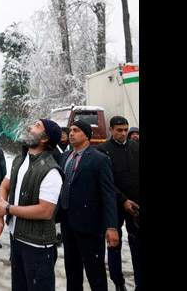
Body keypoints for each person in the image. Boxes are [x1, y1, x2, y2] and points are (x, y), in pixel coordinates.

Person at [0, 119, 63, 291]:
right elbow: (5, 187)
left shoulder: (51, 170)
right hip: (17, 241)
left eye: (37, 126)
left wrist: (8, 209)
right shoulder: (19, 160)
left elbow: (45, 211)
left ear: (45, 138)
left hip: (37, 247)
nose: (29, 126)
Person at [57, 120, 119, 291]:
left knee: (95, 271)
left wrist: (112, 226)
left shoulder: (100, 159)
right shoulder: (65, 157)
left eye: (76, 130)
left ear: (86, 135)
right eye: (70, 130)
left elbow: (108, 193)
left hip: (90, 225)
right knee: (72, 270)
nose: (71, 133)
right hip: (68, 223)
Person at [98, 117, 140, 291]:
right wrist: (122, 200)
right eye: (119, 130)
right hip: (113, 206)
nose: (123, 133)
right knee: (114, 245)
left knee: (137, 245)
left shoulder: (136, 148)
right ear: (111, 129)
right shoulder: (102, 151)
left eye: (125, 130)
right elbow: (104, 182)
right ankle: (118, 281)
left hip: (135, 206)